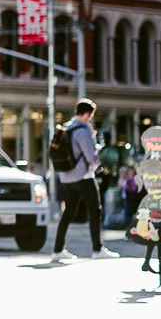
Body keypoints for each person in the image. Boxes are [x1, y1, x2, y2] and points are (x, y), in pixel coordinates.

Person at [50, 99, 120, 262]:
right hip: (84, 177)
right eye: (91, 115)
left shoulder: (67, 127)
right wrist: (97, 155)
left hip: (67, 177)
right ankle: (97, 249)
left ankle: (57, 250)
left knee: (68, 214)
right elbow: (91, 157)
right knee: (95, 212)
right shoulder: (83, 130)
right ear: (88, 114)